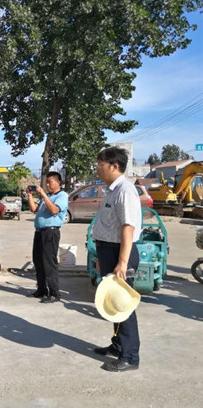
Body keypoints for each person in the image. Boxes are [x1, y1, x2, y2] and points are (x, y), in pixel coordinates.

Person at [92, 146, 141, 372]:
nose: (97, 168)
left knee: (124, 305)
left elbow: (128, 228)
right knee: (112, 301)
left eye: (100, 164)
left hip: (120, 252)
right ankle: (118, 345)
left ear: (114, 166)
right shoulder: (112, 190)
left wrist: (122, 262)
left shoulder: (125, 191)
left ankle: (130, 357)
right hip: (108, 251)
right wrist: (101, 257)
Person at [26, 172, 68, 303]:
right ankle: (42, 289)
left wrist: (43, 195)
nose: (48, 185)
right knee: (38, 261)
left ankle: (54, 293)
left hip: (50, 232)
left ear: (58, 182)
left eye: (50, 182)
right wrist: (29, 195)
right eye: (47, 183)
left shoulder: (62, 195)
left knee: (49, 262)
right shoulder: (47, 197)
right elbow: (34, 209)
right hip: (39, 232)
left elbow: (54, 210)